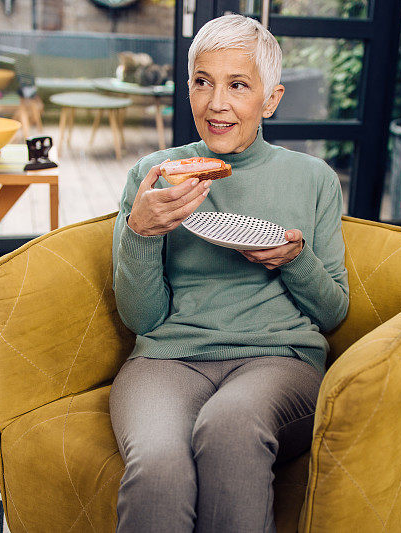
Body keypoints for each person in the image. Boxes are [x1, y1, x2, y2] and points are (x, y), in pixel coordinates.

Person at [109, 14, 349, 533]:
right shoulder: (153, 177)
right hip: (167, 361)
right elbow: (142, 319)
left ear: (271, 99)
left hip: (278, 361)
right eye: (203, 82)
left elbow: (334, 312)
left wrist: (294, 260)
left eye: (238, 85)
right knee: (158, 467)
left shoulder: (313, 180)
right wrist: (141, 233)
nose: (217, 103)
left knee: (229, 427)